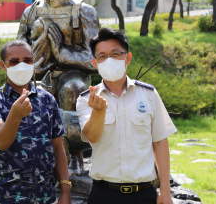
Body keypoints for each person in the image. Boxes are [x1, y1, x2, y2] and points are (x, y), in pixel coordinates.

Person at [17, 0, 100, 175]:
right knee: (24, 97)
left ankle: (75, 156)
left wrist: (63, 54)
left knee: (72, 89)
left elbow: (96, 60)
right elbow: (16, 50)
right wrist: (32, 59)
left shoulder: (83, 11)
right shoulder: (32, 12)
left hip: (72, 74)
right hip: (40, 73)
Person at [76, 28, 177, 204]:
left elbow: (160, 142)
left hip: (143, 194)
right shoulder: (86, 100)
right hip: (104, 194)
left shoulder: (149, 95)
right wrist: (98, 111)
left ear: (127, 58)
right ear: (95, 63)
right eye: (102, 56)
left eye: (115, 54)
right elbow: (92, 136)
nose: (109, 60)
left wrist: (165, 191)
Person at [0, 40, 72, 204]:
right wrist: (14, 116)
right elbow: (1, 141)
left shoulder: (47, 100)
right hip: (3, 198)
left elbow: (58, 147)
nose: (21, 65)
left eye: (27, 60)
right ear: (3, 65)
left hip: (45, 197)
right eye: (14, 61)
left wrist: (65, 191)